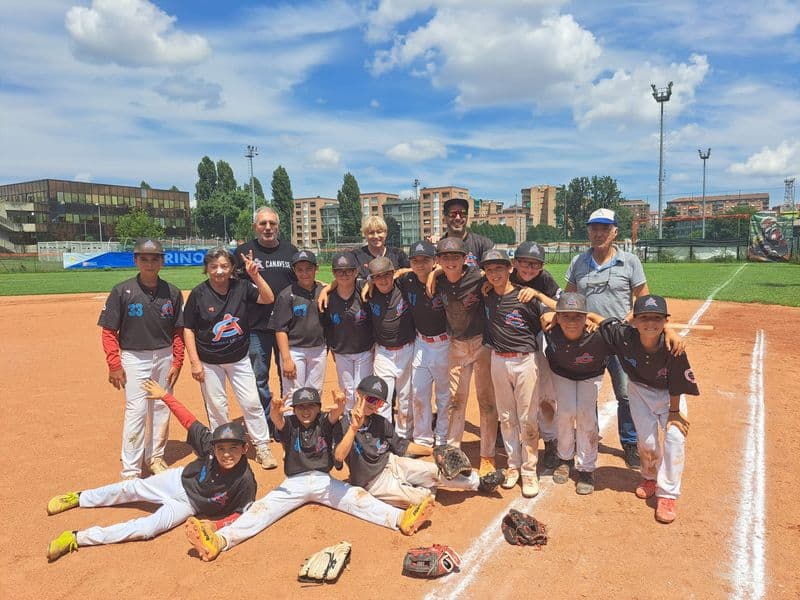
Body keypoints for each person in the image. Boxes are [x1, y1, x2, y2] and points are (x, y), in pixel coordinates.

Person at [183, 387, 435, 561]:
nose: (305, 411)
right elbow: (278, 422)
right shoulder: (290, 424)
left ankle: (401, 519)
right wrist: (275, 411)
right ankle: (219, 541)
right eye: (300, 407)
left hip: (323, 482)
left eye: (310, 406)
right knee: (262, 510)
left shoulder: (325, 422)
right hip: (294, 483)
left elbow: (336, 415)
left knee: (357, 497)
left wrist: (339, 405)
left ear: (317, 407)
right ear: (295, 409)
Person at [45, 379, 256, 562]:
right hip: (178, 480)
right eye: (221, 448)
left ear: (245, 448)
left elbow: (242, 513)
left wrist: (215, 525)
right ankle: (78, 498)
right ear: (214, 447)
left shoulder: (245, 481)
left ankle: (76, 537)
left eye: (233, 448)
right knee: (131, 488)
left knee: (147, 529)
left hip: (188, 505)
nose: (226, 454)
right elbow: (189, 421)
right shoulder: (209, 444)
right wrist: (165, 396)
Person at [599, 295, 699, 523]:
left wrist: (674, 413)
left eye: (657, 318)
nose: (650, 323)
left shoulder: (673, 347)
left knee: (674, 438)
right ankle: (649, 477)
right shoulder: (624, 336)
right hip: (640, 391)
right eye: (644, 318)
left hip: (668, 396)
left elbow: (677, 382)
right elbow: (599, 321)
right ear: (634, 321)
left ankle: (668, 494)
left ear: (666, 321)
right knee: (647, 441)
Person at [333, 375, 505, 507]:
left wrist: (433, 450)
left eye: (379, 402)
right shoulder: (344, 425)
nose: (375, 405)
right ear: (358, 394)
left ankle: (479, 483)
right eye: (371, 399)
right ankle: (421, 487)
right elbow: (339, 458)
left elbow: (402, 445)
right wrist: (354, 428)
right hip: (372, 482)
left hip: (392, 464)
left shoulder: (380, 422)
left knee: (434, 471)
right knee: (422, 501)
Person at [565, 208, 648, 469]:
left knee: (625, 394)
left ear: (614, 232)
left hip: (621, 338)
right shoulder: (578, 262)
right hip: (590, 339)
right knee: (589, 396)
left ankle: (630, 443)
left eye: (604, 228)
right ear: (588, 231)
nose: (599, 233)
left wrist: (629, 321)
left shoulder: (630, 261)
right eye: (594, 228)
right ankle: (590, 440)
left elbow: (643, 299)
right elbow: (569, 299)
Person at [183, 247, 277, 470]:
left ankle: (262, 446)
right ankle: (223, 448)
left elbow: (268, 298)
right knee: (217, 407)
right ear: (206, 268)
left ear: (232, 268)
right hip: (209, 360)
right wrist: (195, 362)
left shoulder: (242, 287)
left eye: (224, 266)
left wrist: (255, 275)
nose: (219, 271)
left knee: (251, 402)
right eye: (214, 266)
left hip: (239, 357)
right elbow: (188, 328)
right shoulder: (198, 293)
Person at [98, 238, 184, 479]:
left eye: (154, 258)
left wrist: (177, 361)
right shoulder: (122, 290)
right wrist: (114, 364)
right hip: (134, 357)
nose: (149, 263)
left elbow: (178, 332)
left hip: (164, 355)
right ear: (136, 260)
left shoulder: (173, 292)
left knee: (160, 406)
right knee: (136, 410)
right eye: (144, 258)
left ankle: (155, 457)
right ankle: (131, 469)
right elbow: (108, 332)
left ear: (162, 261)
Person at [481, 249, 555, 498]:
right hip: (498, 361)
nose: (494, 274)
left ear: (509, 268)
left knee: (527, 418)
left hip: (524, 361)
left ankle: (529, 469)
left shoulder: (526, 296)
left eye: (499, 268)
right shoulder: (488, 295)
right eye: (489, 270)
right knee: (506, 416)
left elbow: (560, 308)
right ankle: (513, 466)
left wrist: (538, 294)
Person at [430, 237, 499, 476]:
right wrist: (433, 273)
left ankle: (487, 455)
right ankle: (453, 454)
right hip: (456, 346)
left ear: (464, 259)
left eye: (456, 257)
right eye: (445, 257)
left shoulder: (479, 279)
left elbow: (504, 278)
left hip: (481, 344)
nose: (451, 262)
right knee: (455, 403)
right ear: (438, 260)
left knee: (487, 402)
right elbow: (408, 270)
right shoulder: (438, 281)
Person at [540, 293, 613, 495]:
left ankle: (586, 468)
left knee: (586, 414)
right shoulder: (551, 328)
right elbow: (541, 317)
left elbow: (621, 328)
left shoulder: (599, 333)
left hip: (591, 375)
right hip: (562, 373)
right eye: (565, 316)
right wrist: (549, 316)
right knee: (565, 413)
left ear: (586, 317)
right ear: (557, 317)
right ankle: (564, 459)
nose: (571, 321)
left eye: (577, 316)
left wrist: (595, 319)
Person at [233, 207, 298, 436]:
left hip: (286, 327)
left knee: (288, 376)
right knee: (259, 378)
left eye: (272, 223)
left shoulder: (291, 251)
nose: (268, 227)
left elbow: (300, 282)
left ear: (278, 226)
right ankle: (267, 423)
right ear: (255, 227)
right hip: (256, 326)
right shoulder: (243, 252)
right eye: (263, 223)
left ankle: (288, 422)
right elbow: (234, 288)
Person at [509, 241, 562, 471]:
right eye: (525, 264)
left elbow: (562, 304)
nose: (529, 269)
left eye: (535, 265)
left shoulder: (545, 279)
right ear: (515, 263)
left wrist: (538, 294)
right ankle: (519, 440)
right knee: (516, 396)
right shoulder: (506, 276)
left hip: (540, 339)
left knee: (546, 394)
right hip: (511, 342)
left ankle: (550, 441)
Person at [395, 240, 449, 449]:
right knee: (419, 392)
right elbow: (388, 277)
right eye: (415, 260)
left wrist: (436, 273)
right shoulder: (407, 280)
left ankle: (442, 438)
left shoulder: (445, 279)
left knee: (444, 395)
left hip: (445, 343)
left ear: (434, 261)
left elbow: (467, 269)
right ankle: (423, 438)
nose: (420, 264)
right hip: (421, 343)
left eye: (425, 260)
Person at [364, 256, 416, 434]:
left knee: (406, 397)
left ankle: (403, 436)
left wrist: (403, 271)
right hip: (383, 352)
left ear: (394, 274)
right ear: (371, 279)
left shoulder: (404, 287)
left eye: (387, 275)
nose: (383, 280)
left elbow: (423, 269)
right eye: (378, 276)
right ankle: (384, 436)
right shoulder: (368, 293)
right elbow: (337, 284)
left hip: (407, 349)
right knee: (382, 396)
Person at [268, 250, 327, 406]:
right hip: (294, 350)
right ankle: (290, 428)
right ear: (294, 271)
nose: (304, 273)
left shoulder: (323, 291)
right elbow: (280, 329)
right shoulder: (287, 295)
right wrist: (286, 359)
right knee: (293, 392)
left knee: (315, 391)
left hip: (318, 349)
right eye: (299, 269)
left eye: (308, 268)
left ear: (316, 269)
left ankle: (314, 428)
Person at [319, 251, 374, 409]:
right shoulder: (328, 298)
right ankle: (349, 422)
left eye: (349, 270)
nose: (344, 275)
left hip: (365, 350)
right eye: (339, 271)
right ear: (333, 273)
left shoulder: (364, 290)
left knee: (362, 389)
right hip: (342, 351)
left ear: (356, 271)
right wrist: (333, 349)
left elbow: (376, 278)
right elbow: (327, 326)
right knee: (347, 390)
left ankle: (363, 424)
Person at [439, 197, 494, 268]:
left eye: (462, 214)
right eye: (453, 214)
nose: (458, 218)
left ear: (467, 217)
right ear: (445, 218)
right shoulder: (438, 247)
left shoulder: (483, 244)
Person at [352, 215, 410, 281]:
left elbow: (415, 270)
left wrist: (400, 272)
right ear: (365, 235)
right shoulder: (356, 256)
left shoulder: (397, 254)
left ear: (386, 233)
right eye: (371, 233)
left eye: (379, 232)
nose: (376, 236)